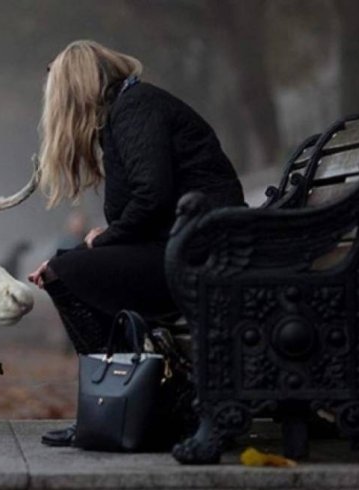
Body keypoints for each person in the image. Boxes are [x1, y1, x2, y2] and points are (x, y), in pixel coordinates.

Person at [27, 40, 245, 447]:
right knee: (64, 267)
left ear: (75, 90)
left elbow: (152, 197)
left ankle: (125, 405)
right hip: (187, 245)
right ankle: (124, 405)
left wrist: (102, 240)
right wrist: (89, 248)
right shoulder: (126, 112)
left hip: (201, 252)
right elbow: (149, 207)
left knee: (65, 272)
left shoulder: (136, 109)